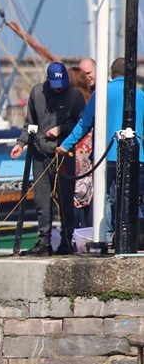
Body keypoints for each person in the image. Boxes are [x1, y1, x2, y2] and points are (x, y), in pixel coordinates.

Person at [59, 57, 144, 243]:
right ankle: (132, 237)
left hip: (107, 155)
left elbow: (84, 123)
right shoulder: (139, 94)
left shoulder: (102, 93)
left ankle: (104, 237)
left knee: (105, 196)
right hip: (136, 155)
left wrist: (65, 145)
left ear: (111, 74)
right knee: (134, 196)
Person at [10, 62, 86, 256]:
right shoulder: (37, 93)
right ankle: (44, 242)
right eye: (55, 83)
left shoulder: (74, 95)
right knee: (42, 202)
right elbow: (30, 124)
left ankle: (66, 241)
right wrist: (21, 143)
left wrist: (61, 130)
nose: (59, 87)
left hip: (63, 154)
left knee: (65, 200)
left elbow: (82, 123)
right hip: (40, 154)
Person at [67, 66, 94, 229]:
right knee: (88, 192)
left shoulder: (71, 101)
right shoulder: (92, 99)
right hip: (89, 150)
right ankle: (88, 231)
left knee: (72, 194)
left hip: (74, 147)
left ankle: (74, 233)